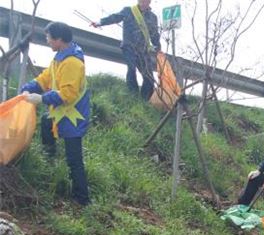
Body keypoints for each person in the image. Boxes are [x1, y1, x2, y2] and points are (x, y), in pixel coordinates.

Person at [20, 22, 91, 206]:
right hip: (60, 114)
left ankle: (82, 199)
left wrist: (41, 99)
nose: (47, 41)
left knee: (74, 158)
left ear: (59, 40)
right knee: (45, 124)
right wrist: (28, 88)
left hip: (73, 116)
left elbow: (68, 94)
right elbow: (45, 78)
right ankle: (49, 161)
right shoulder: (59, 59)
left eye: (49, 37)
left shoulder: (73, 63)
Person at [92, 0, 161, 100]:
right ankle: (133, 97)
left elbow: (154, 34)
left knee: (149, 77)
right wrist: (100, 22)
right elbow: (115, 17)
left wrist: (158, 47)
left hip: (143, 50)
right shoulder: (129, 11)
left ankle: (144, 100)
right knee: (131, 69)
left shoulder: (152, 17)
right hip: (129, 46)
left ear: (149, 2)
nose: (143, 2)